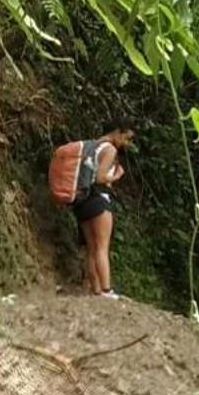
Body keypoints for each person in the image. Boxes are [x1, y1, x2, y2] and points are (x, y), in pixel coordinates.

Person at [72, 126, 134, 299]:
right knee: (102, 246)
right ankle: (106, 290)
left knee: (92, 248)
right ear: (117, 132)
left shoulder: (92, 146)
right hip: (98, 199)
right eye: (126, 138)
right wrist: (116, 176)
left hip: (82, 201)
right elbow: (100, 178)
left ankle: (96, 290)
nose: (126, 143)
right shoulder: (110, 149)